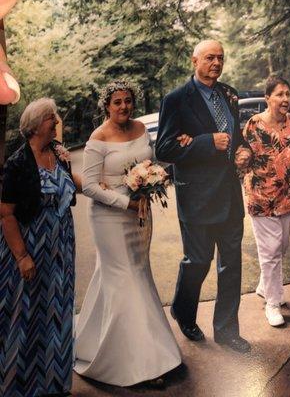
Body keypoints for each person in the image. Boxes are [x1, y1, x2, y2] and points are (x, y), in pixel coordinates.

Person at [74, 80, 185, 387]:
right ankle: (143, 364)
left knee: (134, 274)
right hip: (109, 218)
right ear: (106, 106)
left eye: (128, 100)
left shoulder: (139, 128)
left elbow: (150, 161)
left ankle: (90, 340)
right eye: (117, 102)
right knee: (126, 279)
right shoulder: (97, 138)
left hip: (141, 213)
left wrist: (153, 179)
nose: (124, 106)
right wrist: (126, 200)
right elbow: (91, 185)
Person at [155, 40, 252, 353]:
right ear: (194, 60)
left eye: (221, 57)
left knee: (232, 264)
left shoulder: (229, 93)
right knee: (198, 261)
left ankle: (226, 331)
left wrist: (242, 151)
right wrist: (206, 142)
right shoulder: (176, 100)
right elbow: (164, 149)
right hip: (196, 198)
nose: (216, 63)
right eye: (210, 57)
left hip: (229, 195)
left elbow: (236, 138)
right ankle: (183, 311)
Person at [0, 98, 81, 396]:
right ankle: (20, 386)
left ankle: (56, 383)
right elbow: (6, 214)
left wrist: (108, 187)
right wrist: (22, 256)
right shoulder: (18, 163)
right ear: (35, 126)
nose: (56, 121)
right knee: (26, 315)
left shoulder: (58, 155)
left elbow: (71, 186)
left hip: (61, 248)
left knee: (58, 310)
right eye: (51, 118)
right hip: (31, 246)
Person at [242, 75, 290, 327]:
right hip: (262, 196)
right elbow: (243, 154)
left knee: (282, 246)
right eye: (280, 94)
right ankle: (273, 304)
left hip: (287, 196)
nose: (285, 99)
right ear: (267, 98)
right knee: (269, 252)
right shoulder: (254, 124)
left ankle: (265, 287)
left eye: (287, 94)